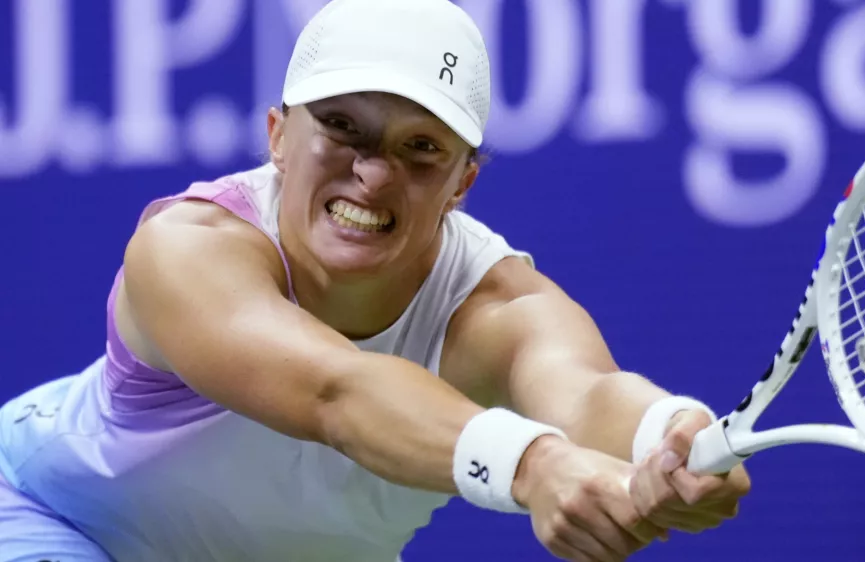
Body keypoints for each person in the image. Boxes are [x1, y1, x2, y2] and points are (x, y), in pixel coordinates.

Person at [0, 0, 750, 560]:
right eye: (341, 127)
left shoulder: (497, 306)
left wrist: (667, 435)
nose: (372, 174)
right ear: (277, 137)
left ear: (462, 183)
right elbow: (337, 392)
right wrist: (535, 463)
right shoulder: (188, 247)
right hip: (48, 519)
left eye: (421, 147)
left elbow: (588, 395)